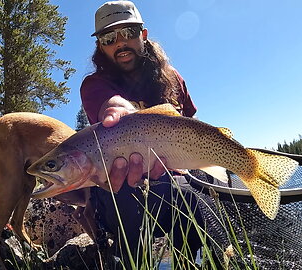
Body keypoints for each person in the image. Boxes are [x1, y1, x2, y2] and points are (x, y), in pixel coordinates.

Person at [80, 1, 205, 268]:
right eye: (109, 37)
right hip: (120, 187)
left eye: (129, 32)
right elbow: (109, 104)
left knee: (188, 195)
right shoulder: (94, 86)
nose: (120, 43)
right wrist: (121, 110)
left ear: (144, 35)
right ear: (100, 46)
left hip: (175, 183)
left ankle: (194, 263)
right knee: (124, 192)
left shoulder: (173, 78)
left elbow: (191, 124)